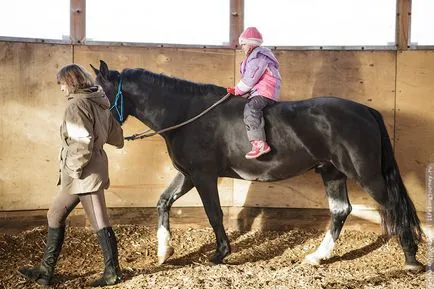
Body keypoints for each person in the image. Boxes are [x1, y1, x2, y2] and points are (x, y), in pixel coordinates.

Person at [18, 64, 124, 287]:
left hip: (84, 171)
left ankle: (112, 273)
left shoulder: (77, 105)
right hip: (82, 170)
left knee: (99, 222)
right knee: (55, 214)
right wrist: (103, 132)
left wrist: (74, 170)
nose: (61, 88)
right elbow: (117, 137)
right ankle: (45, 272)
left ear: (72, 81)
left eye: (62, 83)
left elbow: (82, 142)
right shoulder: (101, 103)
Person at [227, 27, 282, 159]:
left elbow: (250, 79)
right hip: (261, 90)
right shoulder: (254, 57)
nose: (242, 47)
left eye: (244, 44)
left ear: (251, 44)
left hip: (264, 91)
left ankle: (259, 144)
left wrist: (238, 90)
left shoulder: (257, 57)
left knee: (251, 109)